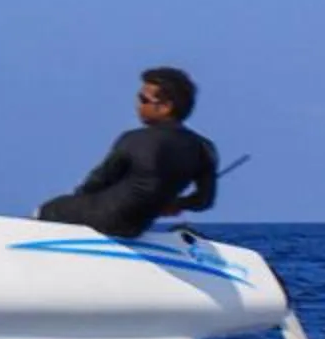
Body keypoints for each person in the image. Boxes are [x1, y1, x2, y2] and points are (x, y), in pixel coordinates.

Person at [36, 66, 218, 239]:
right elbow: (204, 201)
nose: (139, 106)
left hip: (104, 218)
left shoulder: (134, 139)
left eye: (144, 100)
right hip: (136, 226)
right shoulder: (205, 148)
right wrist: (177, 204)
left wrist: (75, 202)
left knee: (47, 209)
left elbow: (96, 182)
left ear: (165, 106)